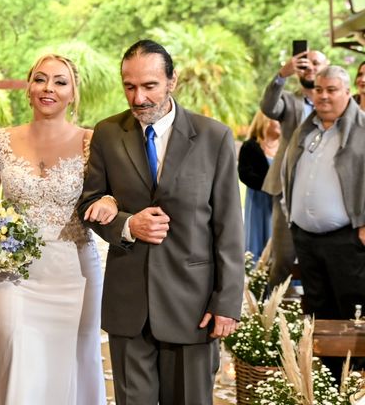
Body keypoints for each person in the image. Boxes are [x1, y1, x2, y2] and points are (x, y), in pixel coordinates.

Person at [77, 39, 244, 405]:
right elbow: (89, 204)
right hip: (129, 304)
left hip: (194, 305)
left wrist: (228, 302)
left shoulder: (215, 137)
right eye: (130, 86)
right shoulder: (107, 133)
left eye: (149, 86)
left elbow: (230, 228)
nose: (138, 98)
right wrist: (125, 224)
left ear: (172, 81)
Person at [0, 54, 106, 405]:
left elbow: (111, 194)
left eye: (60, 81)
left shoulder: (92, 143)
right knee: (16, 349)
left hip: (74, 269)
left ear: (73, 93)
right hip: (15, 274)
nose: (49, 88)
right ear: (28, 88)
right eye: (41, 79)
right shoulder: (2, 141)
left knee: (77, 358)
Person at [282, 65, 365, 378]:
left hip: (346, 240)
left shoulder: (361, 129)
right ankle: (329, 379)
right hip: (307, 238)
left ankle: (355, 379)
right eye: (319, 90)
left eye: (332, 90)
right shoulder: (310, 130)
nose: (324, 96)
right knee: (318, 311)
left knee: (352, 310)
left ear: (347, 93)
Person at [260, 48, 329, 288]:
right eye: (305, 64)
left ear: (326, 68)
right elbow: (268, 107)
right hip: (288, 188)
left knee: (324, 256)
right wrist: (282, 74)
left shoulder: (337, 103)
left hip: (326, 189)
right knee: (284, 256)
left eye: (316, 63)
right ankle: (274, 313)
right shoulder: (290, 101)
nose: (310, 68)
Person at [238, 110, 280, 259]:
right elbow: (244, 174)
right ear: (266, 121)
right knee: (256, 236)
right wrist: (267, 186)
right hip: (258, 200)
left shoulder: (285, 148)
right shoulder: (250, 146)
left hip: (279, 202)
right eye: (277, 120)